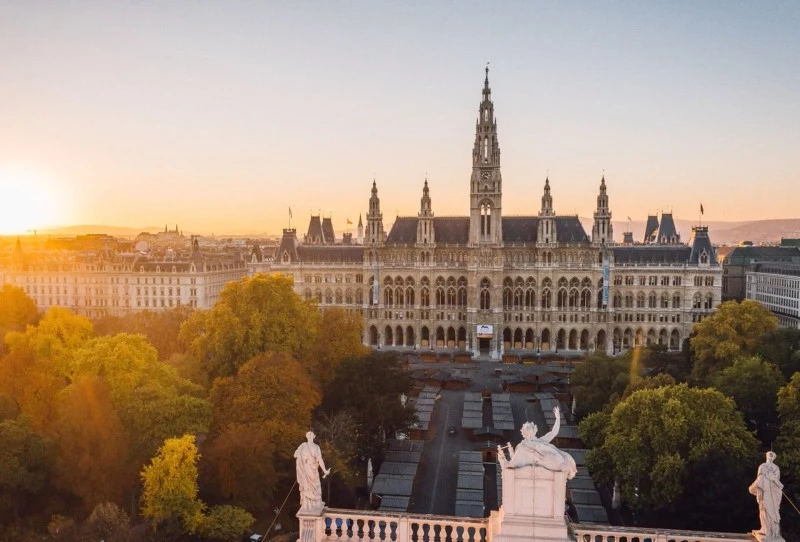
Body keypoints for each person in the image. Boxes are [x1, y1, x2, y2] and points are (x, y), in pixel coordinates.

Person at [498, 406, 577, 479]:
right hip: (557, 465)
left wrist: (502, 458)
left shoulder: (521, 448)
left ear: (523, 433)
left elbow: (512, 463)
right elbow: (554, 432)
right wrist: (558, 418)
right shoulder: (540, 441)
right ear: (535, 431)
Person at [749, 451, 784, 539]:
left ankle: (771, 531)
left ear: (773, 458)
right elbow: (760, 479)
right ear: (767, 457)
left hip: (773, 493)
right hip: (764, 493)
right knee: (764, 511)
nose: (770, 458)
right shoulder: (762, 466)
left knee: (772, 511)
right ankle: (765, 529)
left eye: (772, 457)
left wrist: (770, 478)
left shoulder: (776, 468)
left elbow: (776, 481)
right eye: (769, 456)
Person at [294, 431, 331, 510]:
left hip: (313, 470)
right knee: (306, 487)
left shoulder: (317, 447)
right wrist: (299, 454)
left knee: (315, 486)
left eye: (311, 434)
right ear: (306, 436)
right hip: (305, 470)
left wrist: (324, 470)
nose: (310, 435)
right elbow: (295, 455)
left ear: (314, 436)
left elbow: (320, 459)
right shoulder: (303, 446)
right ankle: (307, 504)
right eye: (308, 434)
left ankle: (315, 503)